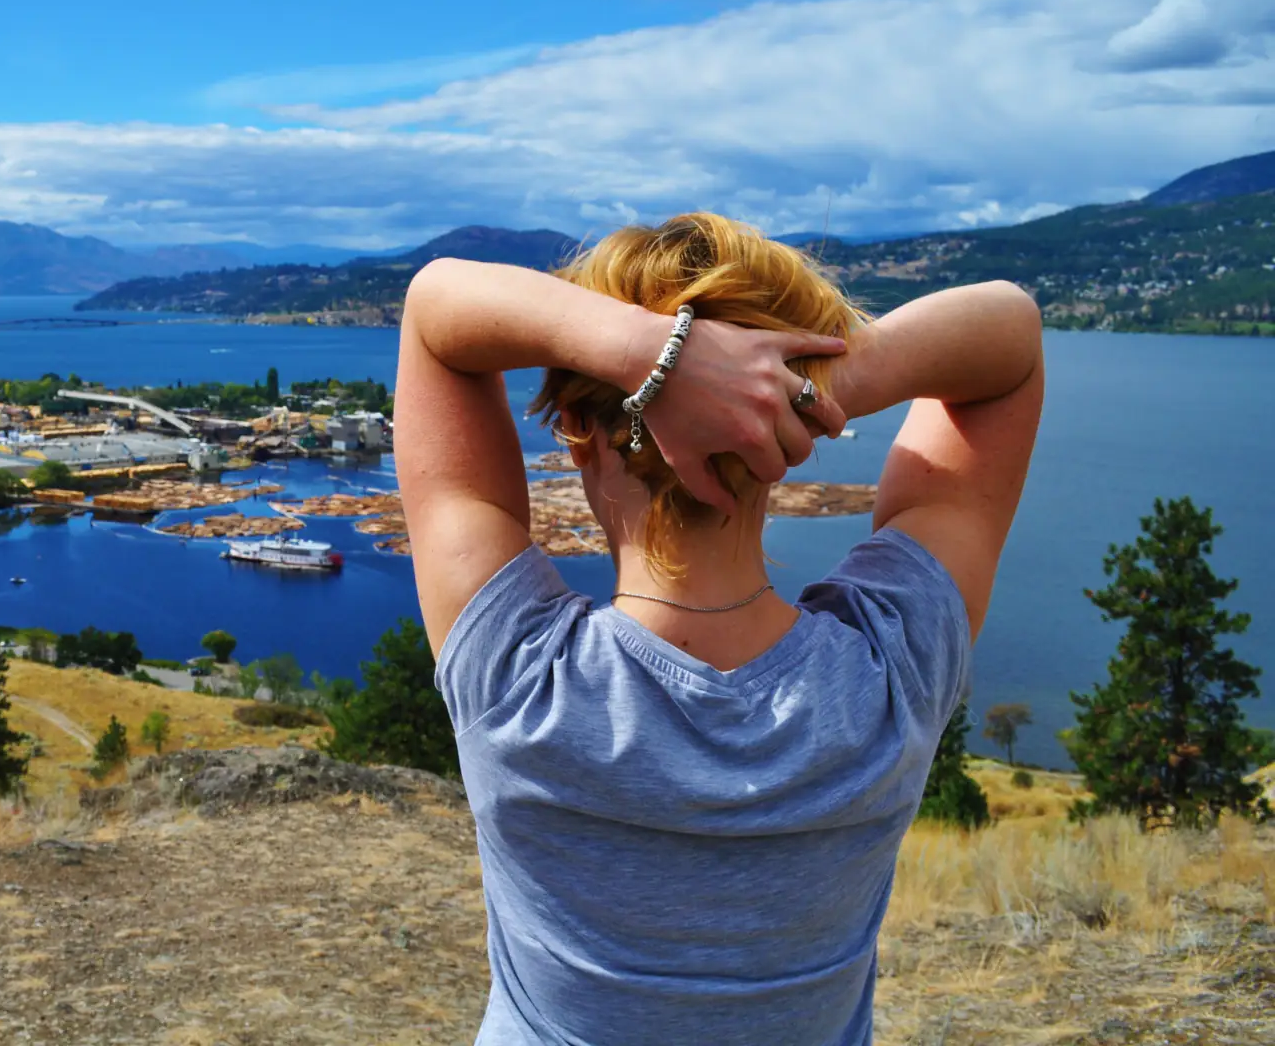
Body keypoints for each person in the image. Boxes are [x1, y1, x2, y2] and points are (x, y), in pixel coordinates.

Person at [394, 212, 1043, 1045]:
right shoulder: (891, 673)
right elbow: (1009, 336)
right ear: (780, 436)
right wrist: (808, 386)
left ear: (579, 436)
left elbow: (436, 311)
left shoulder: (517, 679)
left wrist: (649, 354)